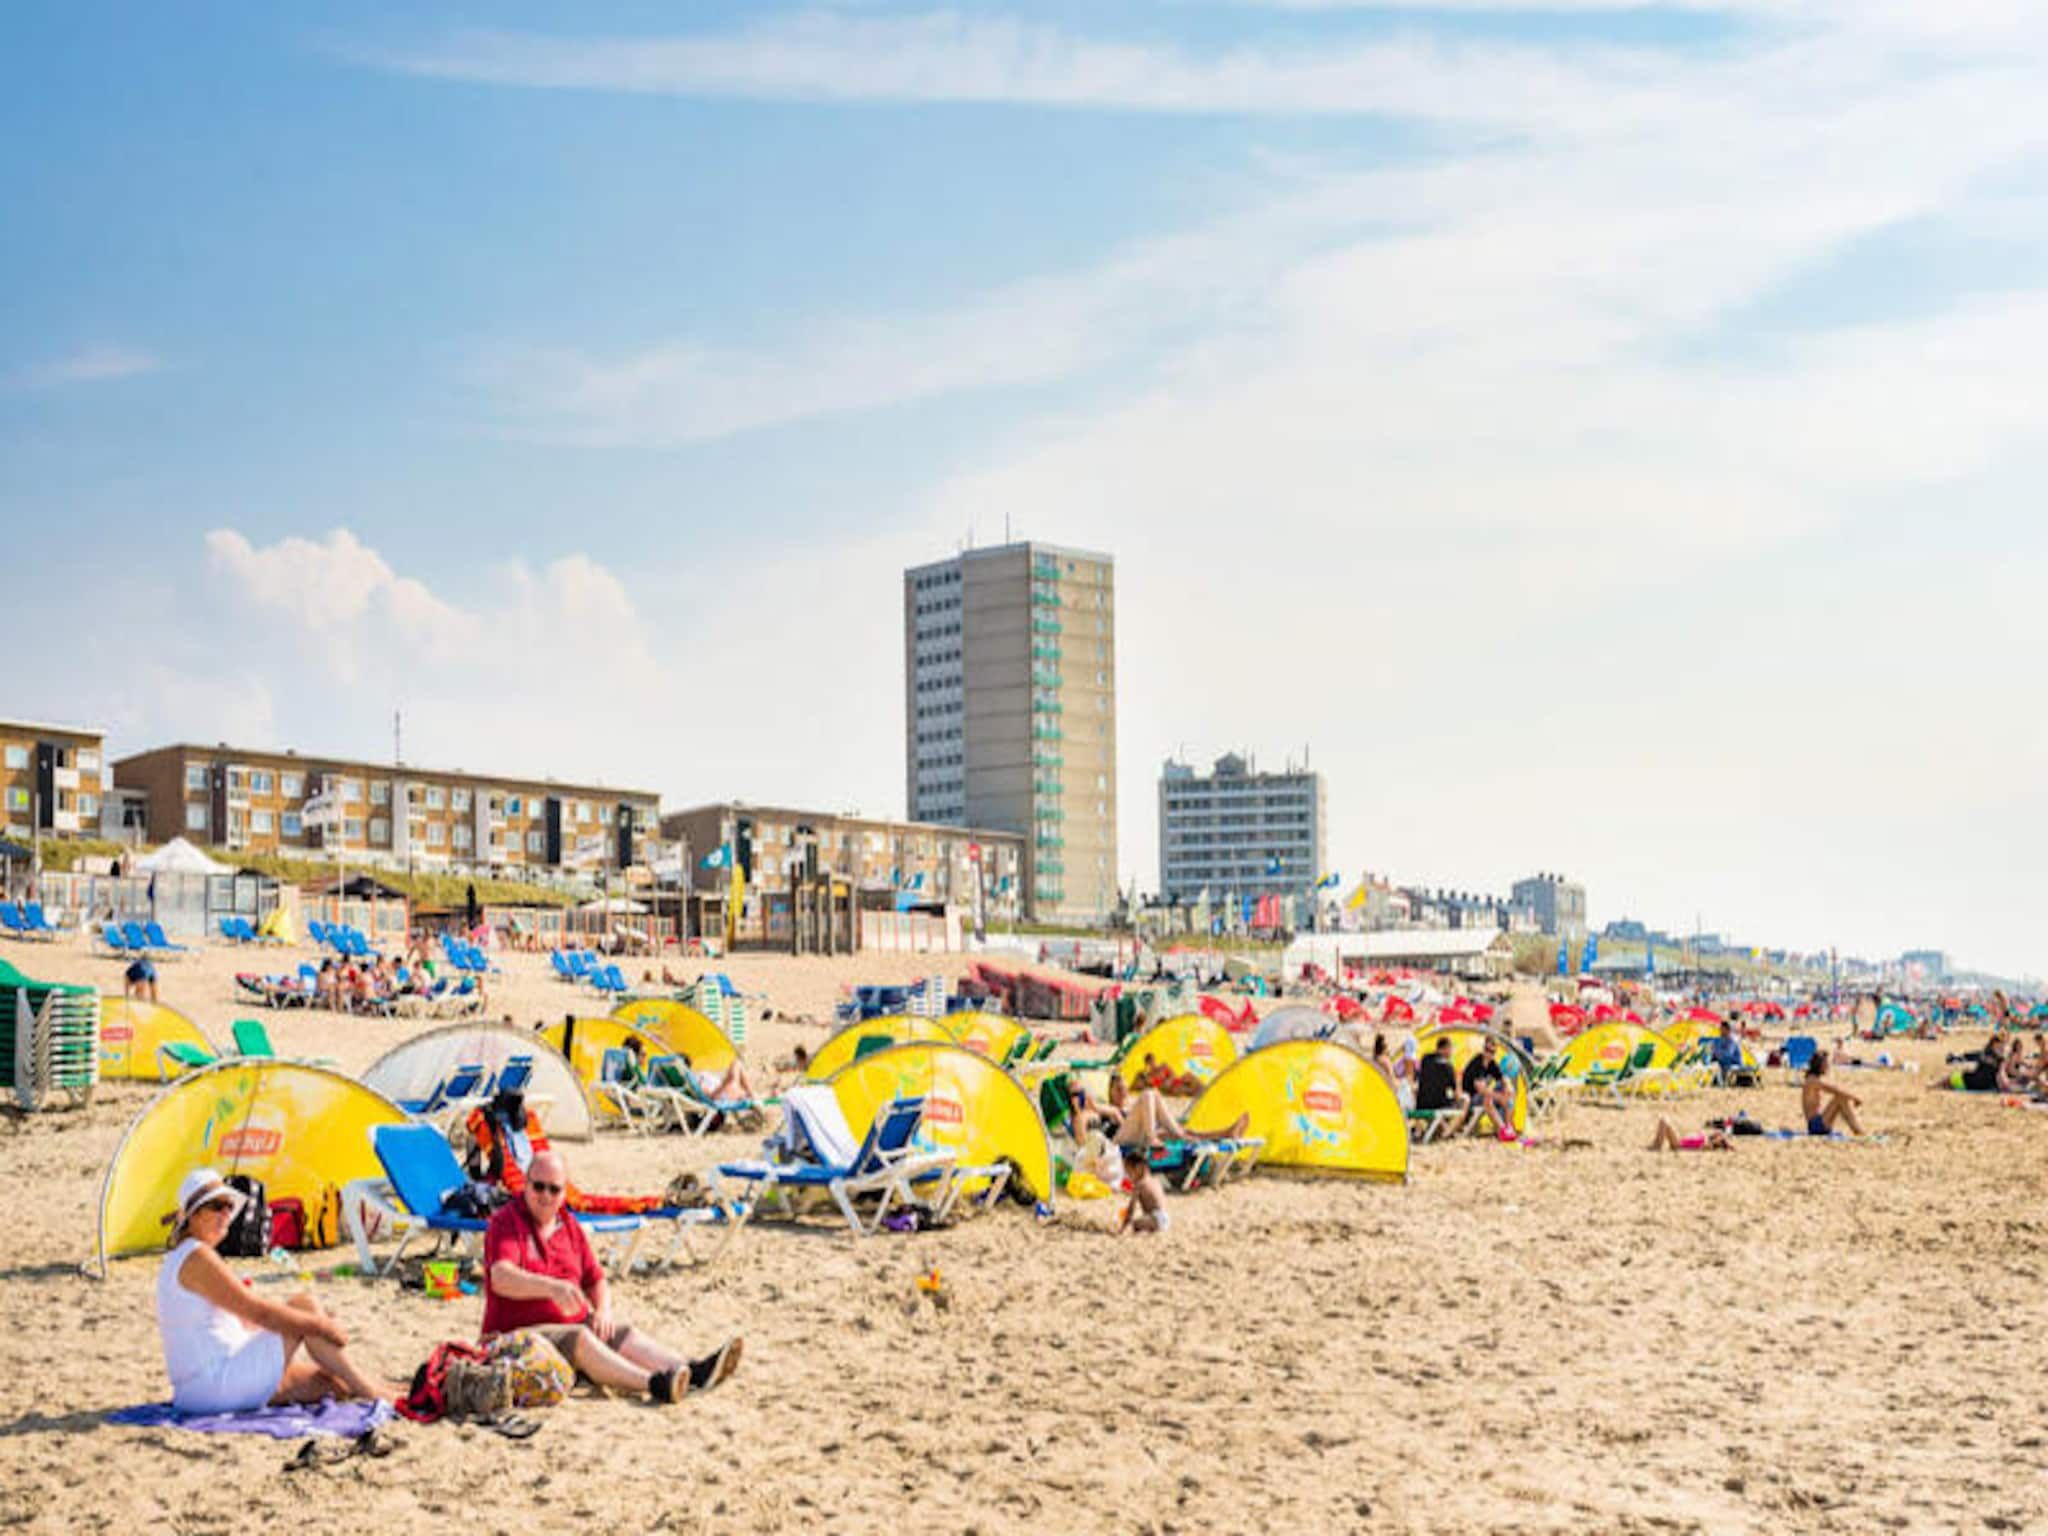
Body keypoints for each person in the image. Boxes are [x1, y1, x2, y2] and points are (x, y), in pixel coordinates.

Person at [481, 1149, 742, 1404]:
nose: (546, 1196)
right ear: (525, 1185)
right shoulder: (506, 1223)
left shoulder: (569, 1226)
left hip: (569, 1327)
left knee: (619, 1332)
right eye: (539, 1187)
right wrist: (552, 1288)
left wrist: (603, 1310)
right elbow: (501, 1278)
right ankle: (655, 1383)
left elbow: (596, 1279)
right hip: (515, 1336)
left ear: (564, 1193)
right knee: (580, 1338)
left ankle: (692, 1370)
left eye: (554, 1189)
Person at [157, 1168, 394, 1413]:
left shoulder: (185, 1256)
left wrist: (307, 1323)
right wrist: (318, 1325)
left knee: (332, 1382)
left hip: (200, 1389)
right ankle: (371, 1392)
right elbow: (259, 1313)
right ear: (193, 1216)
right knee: (305, 1305)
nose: (226, 1213)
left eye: (229, 1206)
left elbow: (244, 1323)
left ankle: (383, 1388)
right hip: (215, 1386)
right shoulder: (198, 1257)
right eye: (217, 1206)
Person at [1458, 1037, 1515, 1135]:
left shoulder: (1491, 1063)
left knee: (1507, 1095)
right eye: (1487, 1050)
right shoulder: (1477, 1063)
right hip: (1469, 1099)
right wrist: (1500, 1097)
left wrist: (1508, 1086)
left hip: (1481, 1096)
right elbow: (1480, 1089)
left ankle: (1508, 1127)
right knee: (1488, 1099)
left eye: (1492, 1052)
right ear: (1483, 1049)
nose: (1489, 1054)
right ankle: (1502, 1129)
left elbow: (1502, 1077)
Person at [1801, 1051, 1867, 1135]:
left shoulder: (1813, 1079)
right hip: (1816, 1126)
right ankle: (1858, 1130)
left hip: (1817, 1123)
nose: (1827, 1067)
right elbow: (1835, 1090)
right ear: (1819, 1065)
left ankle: (1857, 1130)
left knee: (1841, 1098)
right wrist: (1855, 1098)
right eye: (1825, 1064)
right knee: (1840, 1098)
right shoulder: (1812, 1081)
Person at [1414, 1037, 1465, 1122]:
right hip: (1437, 1105)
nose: (1451, 1053)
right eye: (1451, 1049)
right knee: (1465, 1100)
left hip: (1421, 1104)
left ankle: (1442, 1129)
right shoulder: (1448, 1067)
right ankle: (1448, 1132)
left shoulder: (1425, 1059)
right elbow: (1457, 1094)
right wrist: (1459, 1080)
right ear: (1446, 1049)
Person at [1648, 1117, 1732, 1152]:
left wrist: (1719, 1142)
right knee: (1664, 1121)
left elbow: (1707, 1147)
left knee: (1664, 1121)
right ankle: (1656, 1144)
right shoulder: (1705, 1138)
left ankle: (1657, 1145)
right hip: (1679, 1141)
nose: (1716, 1132)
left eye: (1718, 1135)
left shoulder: (1707, 1145)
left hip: (1678, 1145)